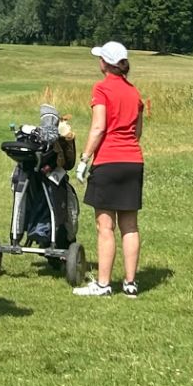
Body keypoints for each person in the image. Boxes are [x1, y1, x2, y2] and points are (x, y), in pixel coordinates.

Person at [73, 40, 144, 296]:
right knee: (130, 226)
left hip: (108, 161)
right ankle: (130, 283)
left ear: (105, 63)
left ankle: (103, 284)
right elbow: (137, 132)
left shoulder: (102, 88)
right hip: (133, 161)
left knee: (105, 227)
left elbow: (98, 127)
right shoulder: (134, 92)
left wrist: (84, 158)